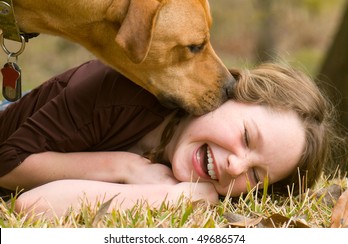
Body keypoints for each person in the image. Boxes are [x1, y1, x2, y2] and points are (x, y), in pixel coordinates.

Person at [0, 59, 337, 218]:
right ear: (234, 92)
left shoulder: (198, 176)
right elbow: (9, 169)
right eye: (247, 137)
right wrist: (127, 169)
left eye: (255, 176)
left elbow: (42, 204)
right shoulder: (121, 86)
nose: (236, 165)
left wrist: (169, 194)